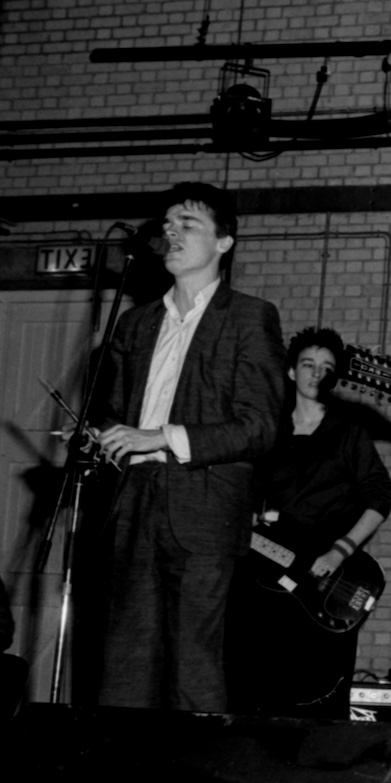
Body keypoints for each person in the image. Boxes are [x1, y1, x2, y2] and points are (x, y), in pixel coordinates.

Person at [88, 181, 286, 712]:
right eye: (168, 225)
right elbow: (115, 412)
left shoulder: (249, 316)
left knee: (192, 666)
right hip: (135, 502)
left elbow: (263, 425)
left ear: (225, 242)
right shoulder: (136, 322)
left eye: (189, 224)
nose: (172, 233)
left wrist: (164, 437)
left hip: (204, 508)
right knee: (125, 662)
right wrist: (100, 435)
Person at [228, 326, 391, 718]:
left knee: (317, 690)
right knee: (253, 684)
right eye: (307, 364)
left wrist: (340, 551)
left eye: (326, 367)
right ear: (291, 371)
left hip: (325, 579)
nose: (316, 373)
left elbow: (379, 499)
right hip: (263, 573)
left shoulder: (349, 433)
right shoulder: (268, 431)